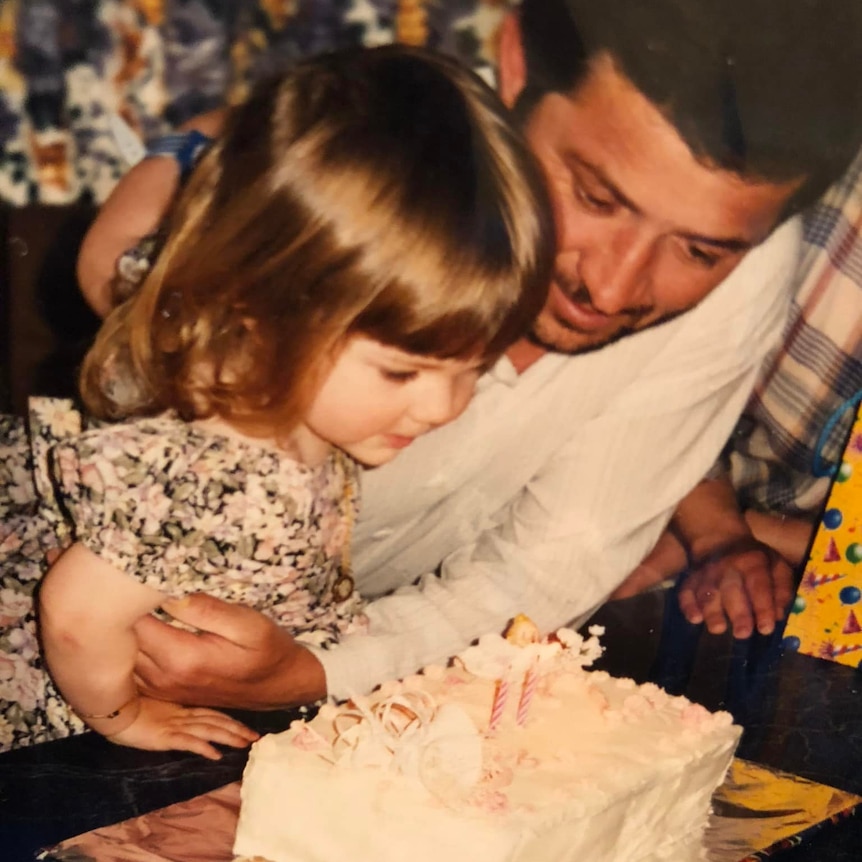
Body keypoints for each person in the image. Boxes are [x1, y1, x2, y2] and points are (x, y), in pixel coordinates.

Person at [75, 0, 862, 710]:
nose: (615, 288)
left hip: (335, 679)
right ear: (515, 62)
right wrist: (177, 162)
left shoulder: (753, 262)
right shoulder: (362, 162)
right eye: (595, 197)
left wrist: (316, 673)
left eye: (696, 250)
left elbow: (559, 560)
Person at [0, 45, 554, 755]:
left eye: (474, 369)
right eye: (400, 373)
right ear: (268, 311)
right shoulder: (225, 474)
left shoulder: (199, 310)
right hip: (75, 701)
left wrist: (191, 143)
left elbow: (111, 246)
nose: (446, 407)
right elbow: (73, 614)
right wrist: (123, 718)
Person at [613, 143, 862, 638]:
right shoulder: (822, 167)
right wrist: (714, 531)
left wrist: (736, 535)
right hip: (657, 477)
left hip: (810, 590)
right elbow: (644, 355)